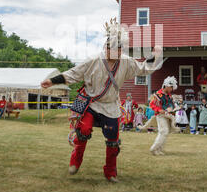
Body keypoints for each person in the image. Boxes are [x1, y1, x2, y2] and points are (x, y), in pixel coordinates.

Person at [40, 18, 162, 182]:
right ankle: (75, 162)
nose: (117, 53)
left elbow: (143, 68)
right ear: (106, 48)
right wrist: (52, 81)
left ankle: (110, 173)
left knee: (113, 141)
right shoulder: (93, 60)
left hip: (111, 107)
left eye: (120, 50)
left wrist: (156, 55)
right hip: (91, 104)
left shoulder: (126, 61)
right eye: (113, 49)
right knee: (83, 132)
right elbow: (73, 73)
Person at [149, 76, 178, 156]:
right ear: (166, 86)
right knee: (163, 131)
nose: (172, 89)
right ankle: (154, 148)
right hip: (160, 115)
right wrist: (159, 110)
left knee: (165, 132)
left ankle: (159, 150)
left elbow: (171, 104)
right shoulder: (157, 95)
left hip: (167, 115)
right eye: (171, 87)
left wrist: (171, 108)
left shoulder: (169, 95)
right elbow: (151, 105)